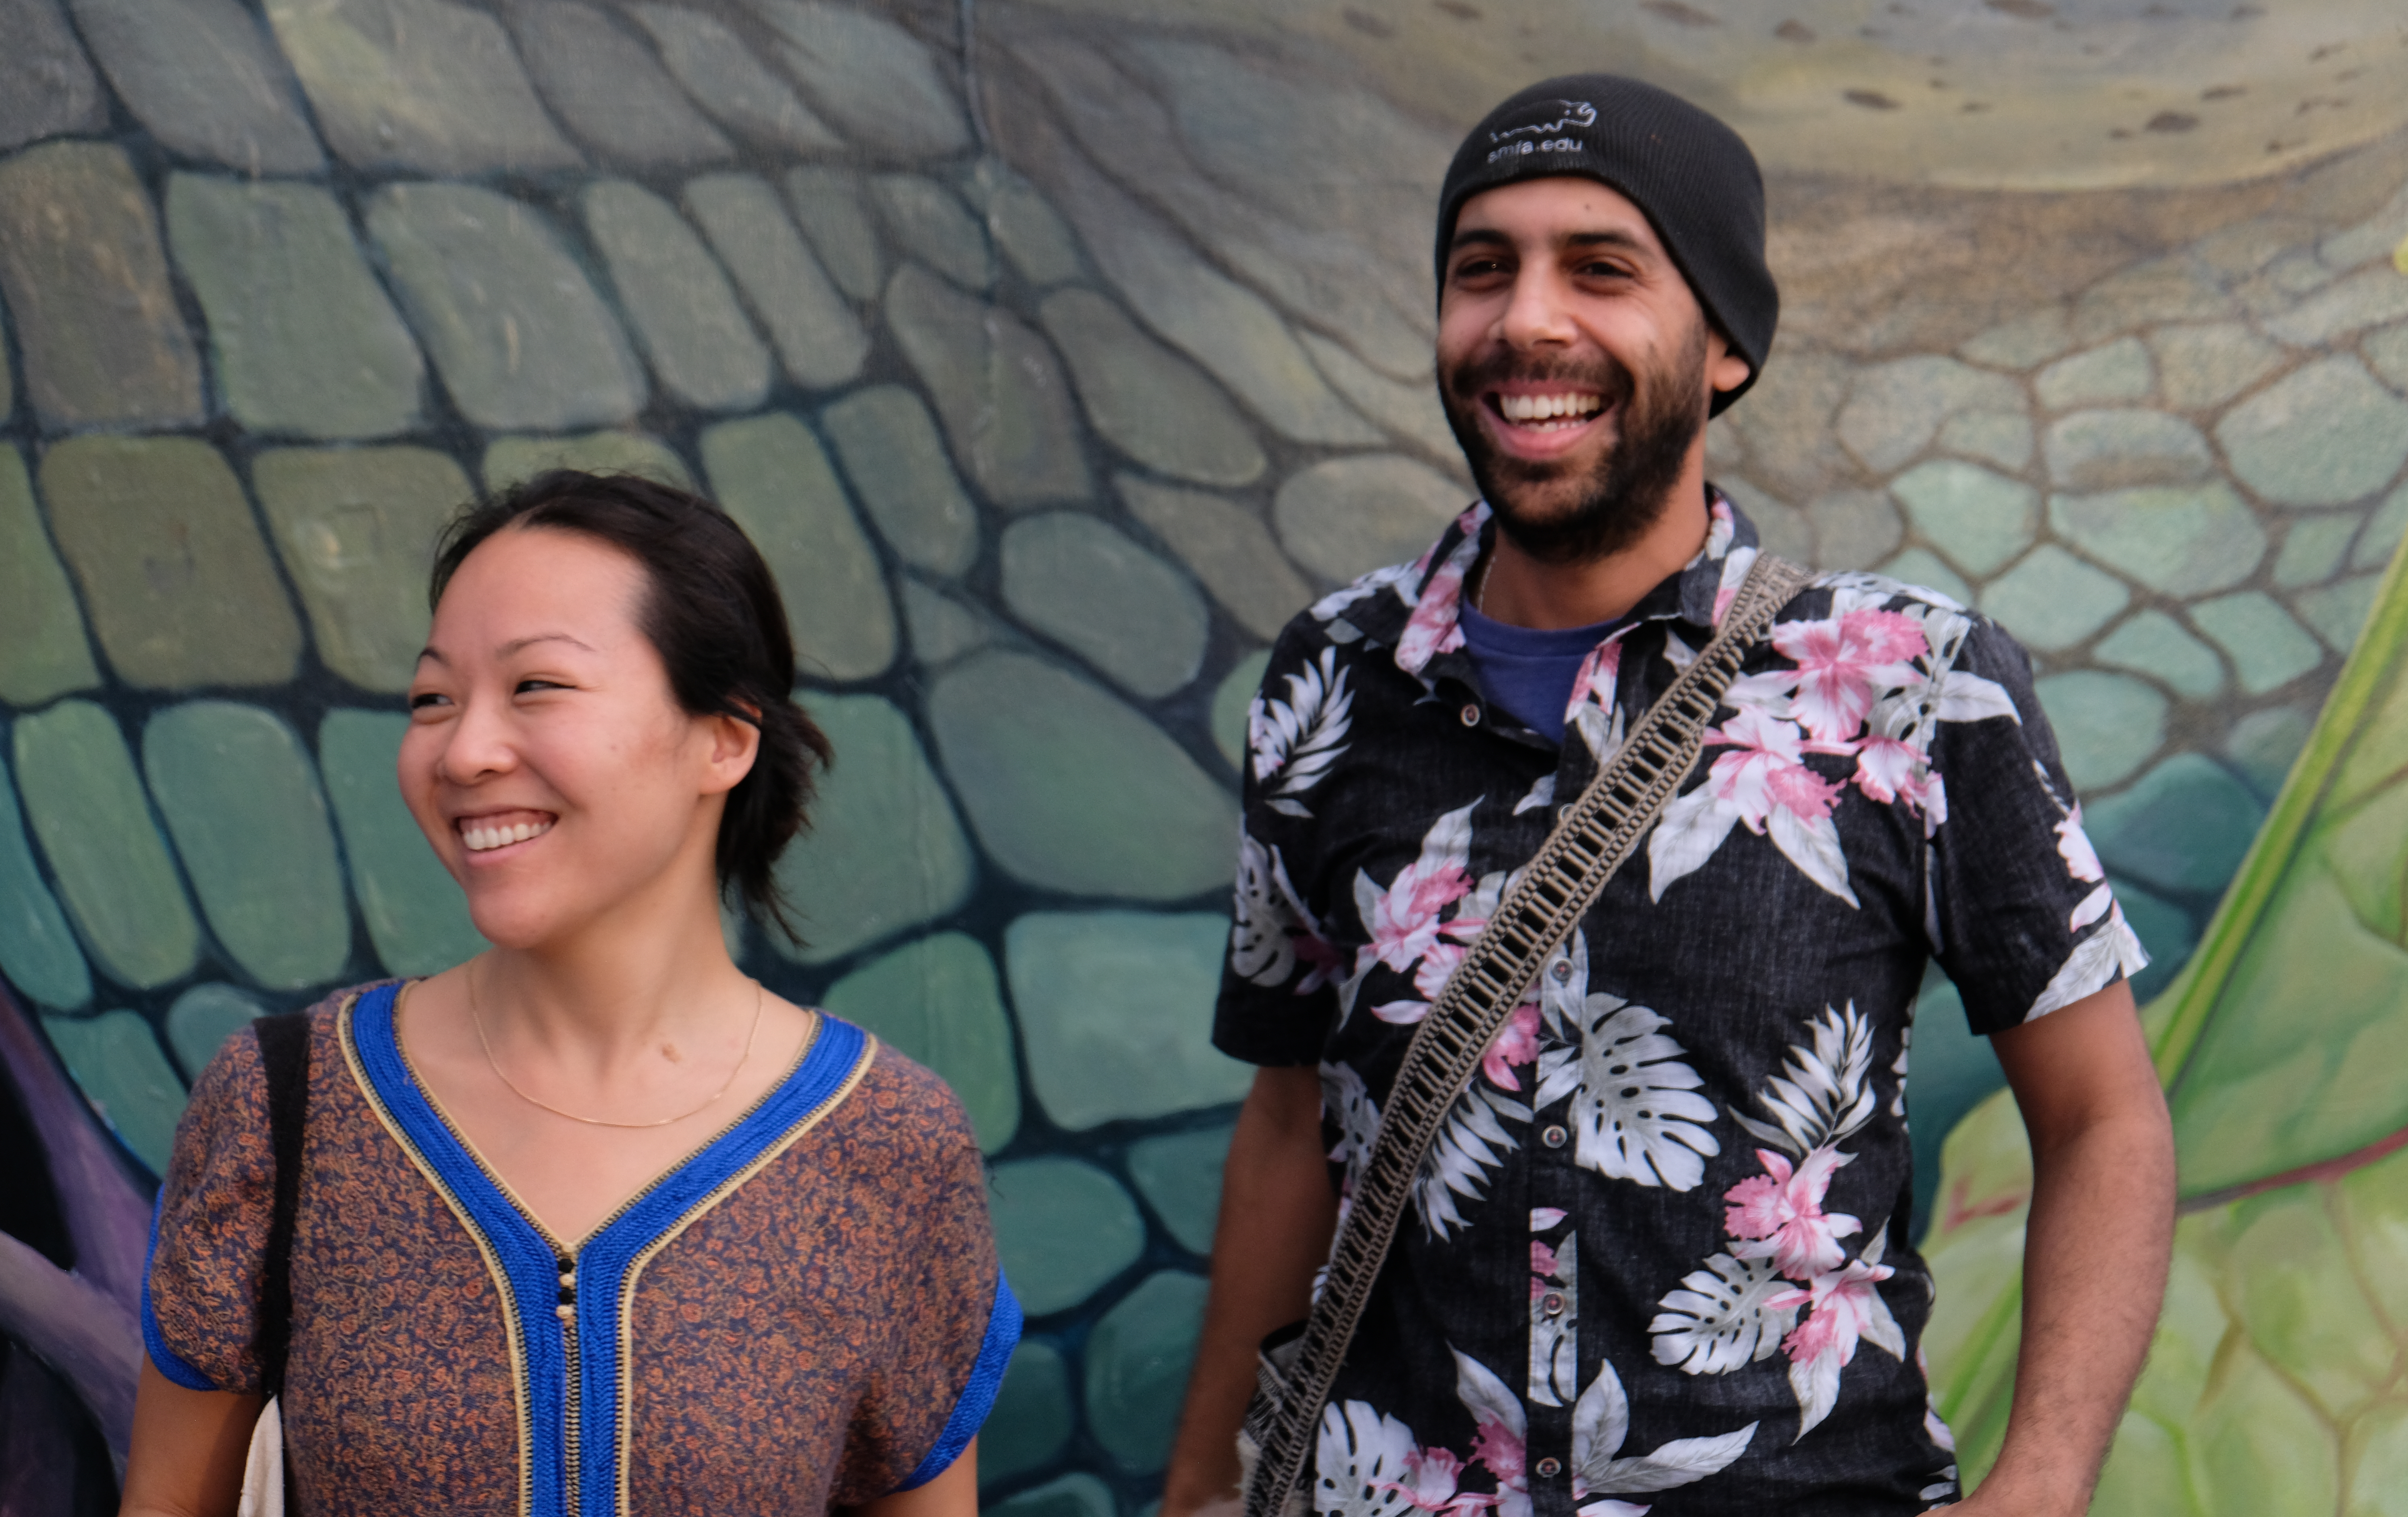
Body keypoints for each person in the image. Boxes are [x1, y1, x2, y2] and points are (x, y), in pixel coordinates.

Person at [1163, 76, 2174, 1516]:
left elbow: (2103, 1121)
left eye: (1602, 268)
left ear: (1726, 350)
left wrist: (2048, 1477)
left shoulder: (1912, 682)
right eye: (1480, 268)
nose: (1526, 320)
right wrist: (1203, 1477)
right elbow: (1288, 1121)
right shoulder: (1333, 677)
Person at [123, 471, 1019, 1516]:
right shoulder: (291, 1105)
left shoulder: (890, 1146)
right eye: (432, 700)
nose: (463, 751)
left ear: (725, 738)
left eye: (537, 686)